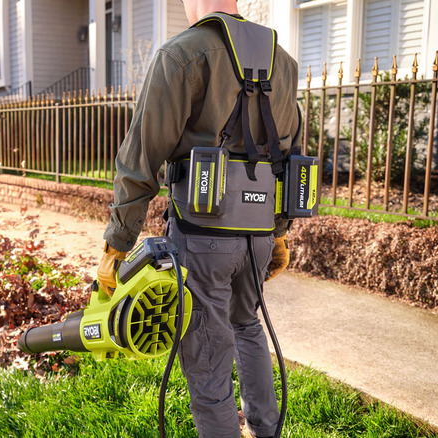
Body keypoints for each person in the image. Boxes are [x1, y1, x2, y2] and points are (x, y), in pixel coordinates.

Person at [96, 1, 300, 437]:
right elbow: (288, 154)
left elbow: (141, 157)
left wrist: (118, 242)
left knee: (207, 357)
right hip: (259, 233)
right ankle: (267, 430)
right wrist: (278, 234)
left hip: (204, 237)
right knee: (246, 324)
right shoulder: (283, 61)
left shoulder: (182, 54)